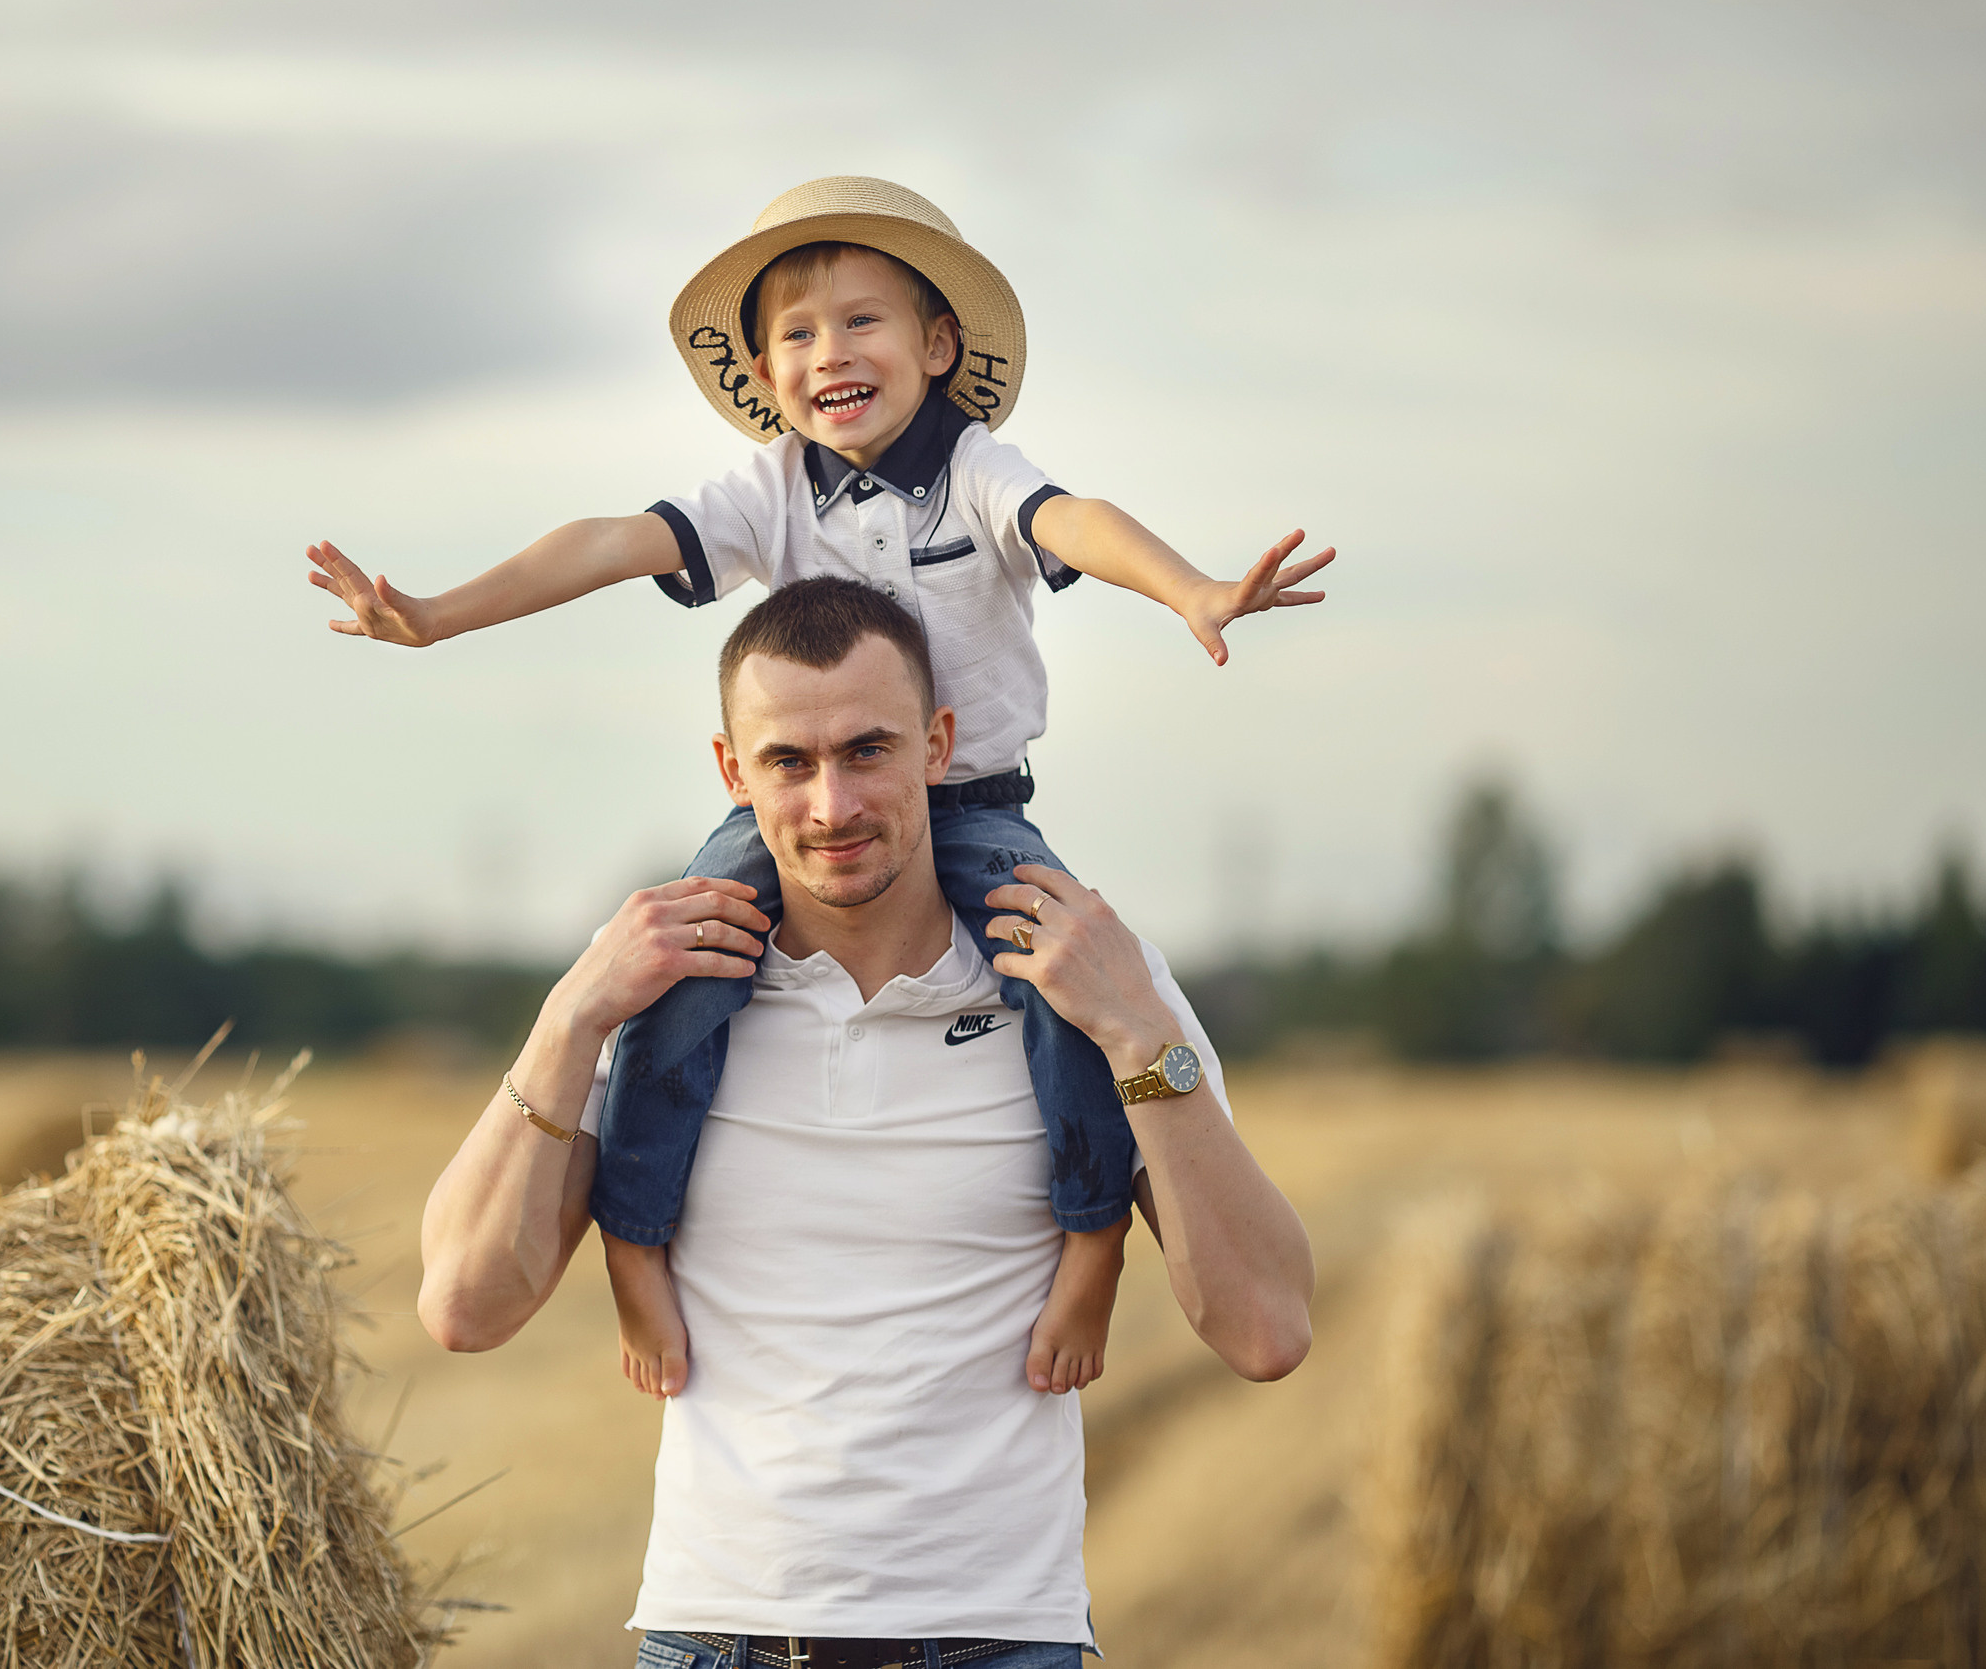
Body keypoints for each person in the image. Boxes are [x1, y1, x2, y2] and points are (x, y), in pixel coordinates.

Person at [317, 176, 1333, 1399]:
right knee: (676, 978)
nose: (829, 353)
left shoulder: (977, 472)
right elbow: (602, 543)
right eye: (796, 333)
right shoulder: (769, 487)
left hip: (975, 809)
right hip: (786, 826)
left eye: (862, 322)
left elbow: (1080, 524)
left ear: (936, 346)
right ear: (763, 368)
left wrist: (1192, 591)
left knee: (1065, 995)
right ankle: (636, 1241)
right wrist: (434, 616)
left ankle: (1091, 1239)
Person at [418, 578, 1314, 1667]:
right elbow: (466, 1306)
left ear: (939, 746)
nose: (831, 805)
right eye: (788, 762)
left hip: (997, 1644)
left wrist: (1138, 1039)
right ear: (731, 773)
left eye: (868, 750)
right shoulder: (658, 1006)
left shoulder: (1090, 989)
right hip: (714, 1640)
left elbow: (1266, 1329)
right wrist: (569, 1016)